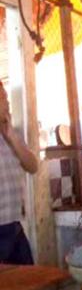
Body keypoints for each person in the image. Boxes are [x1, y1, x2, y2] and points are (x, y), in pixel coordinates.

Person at [0, 81, 38, 264]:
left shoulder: (11, 134)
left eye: (6, 97)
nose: (7, 103)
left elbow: (32, 166)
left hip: (14, 227)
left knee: (30, 282)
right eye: (2, 98)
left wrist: (12, 138)